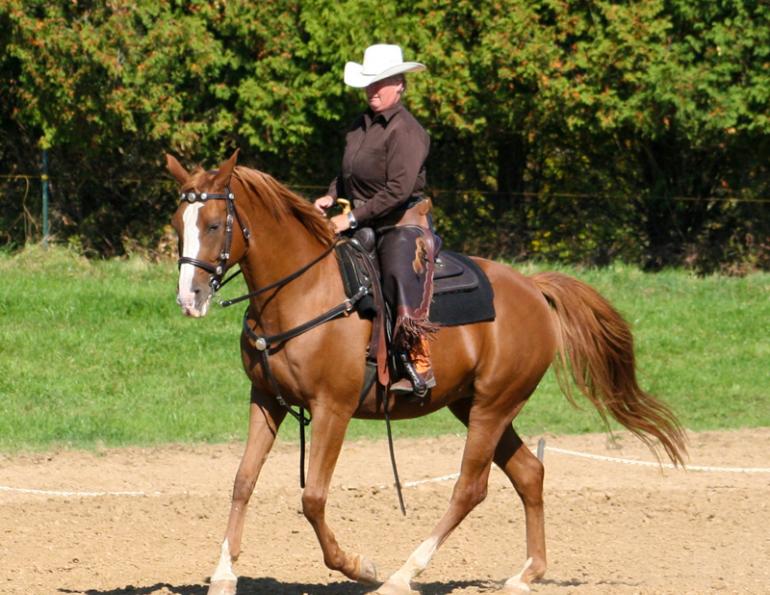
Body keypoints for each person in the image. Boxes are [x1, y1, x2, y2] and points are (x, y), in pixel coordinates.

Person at [314, 43, 437, 397]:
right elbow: (348, 173)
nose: (373, 90)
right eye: (369, 83)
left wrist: (349, 218)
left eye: (381, 83)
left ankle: (419, 359)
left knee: (398, 271)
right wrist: (330, 192)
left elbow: (398, 190)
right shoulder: (359, 126)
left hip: (402, 223)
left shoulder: (408, 131)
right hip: (365, 220)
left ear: (399, 83)